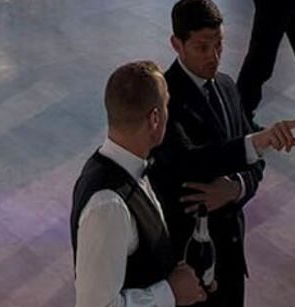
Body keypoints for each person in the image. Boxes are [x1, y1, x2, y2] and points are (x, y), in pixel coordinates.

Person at [153, 0, 295, 307]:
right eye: (202, 47)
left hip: (231, 259)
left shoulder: (225, 86)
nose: (214, 56)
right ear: (176, 44)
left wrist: (236, 188)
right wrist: (260, 142)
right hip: (187, 264)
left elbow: (254, 161)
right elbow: (192, 161)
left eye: (219, 44)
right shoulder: (164, 101)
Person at [72, 61, 208, 307]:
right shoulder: (108, 205)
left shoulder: (127, 168)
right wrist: (171, 293)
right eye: (166, 105)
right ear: (155, 118)